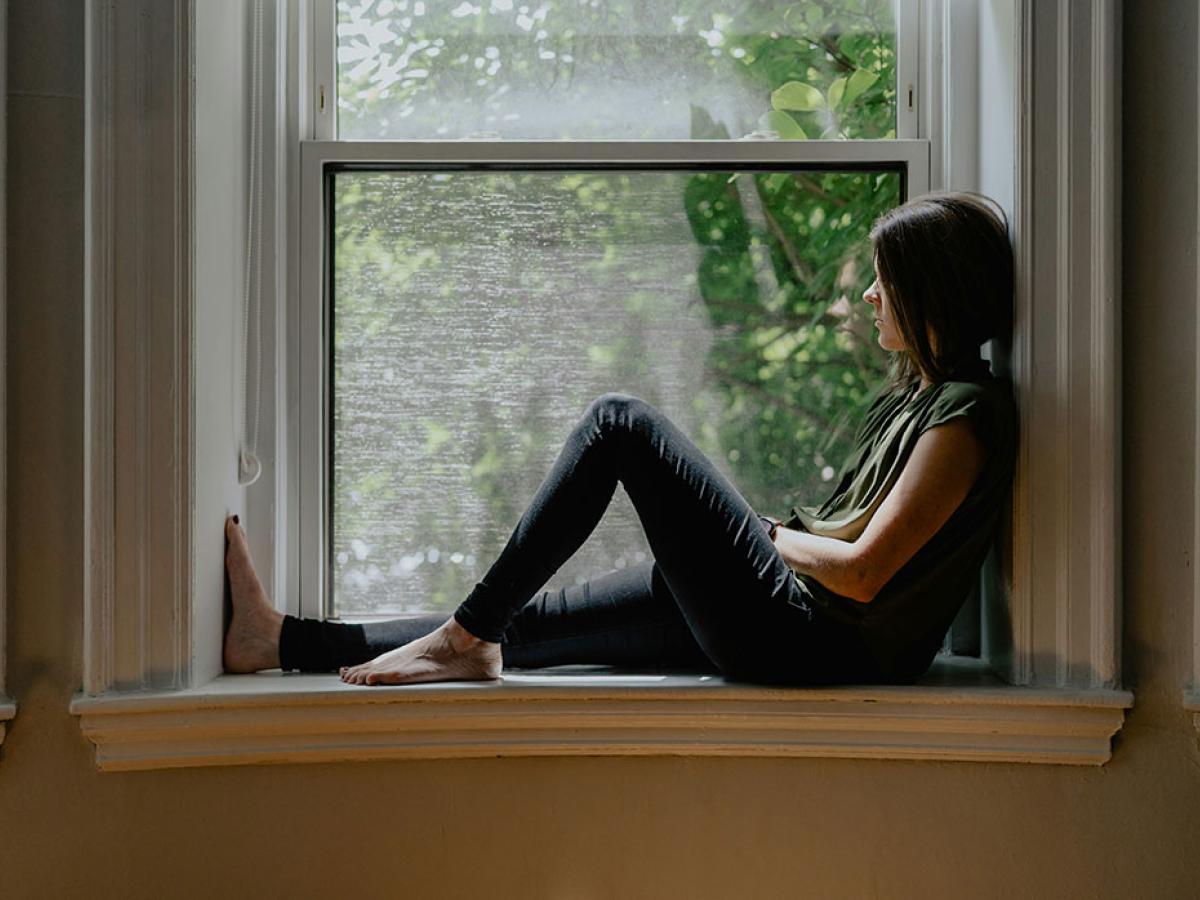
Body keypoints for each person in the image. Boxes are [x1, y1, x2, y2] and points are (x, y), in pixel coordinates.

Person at [223, 190, 1017, 688]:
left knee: (621, 423)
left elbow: (866, 574)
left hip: (812, 642)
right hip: (790, 622)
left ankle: (461, 637)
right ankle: (280, 641)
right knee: (515, 626)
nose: (873, 294)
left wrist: (759, 532)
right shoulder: (922, 397)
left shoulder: (964, 418)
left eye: (888, 280)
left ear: (930, 292)